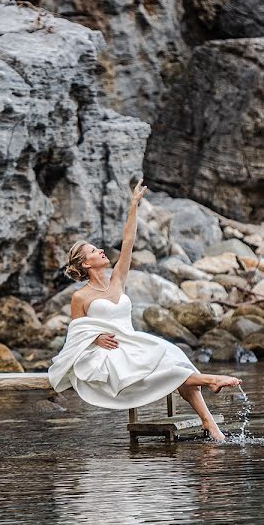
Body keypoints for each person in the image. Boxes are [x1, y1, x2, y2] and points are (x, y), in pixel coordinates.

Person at [47, 177, 242, 441]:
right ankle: (209, 382)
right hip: (111, 352)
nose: (102, 250)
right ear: (85, 264)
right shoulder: (80, 297)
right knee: (169, 366)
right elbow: (76, 336)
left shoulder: (118, 278)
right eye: (94, 250)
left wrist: (133, 205)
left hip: (134, 342)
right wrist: (94, 337)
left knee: (174, 356)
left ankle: (209, 421)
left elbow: (128, 241)